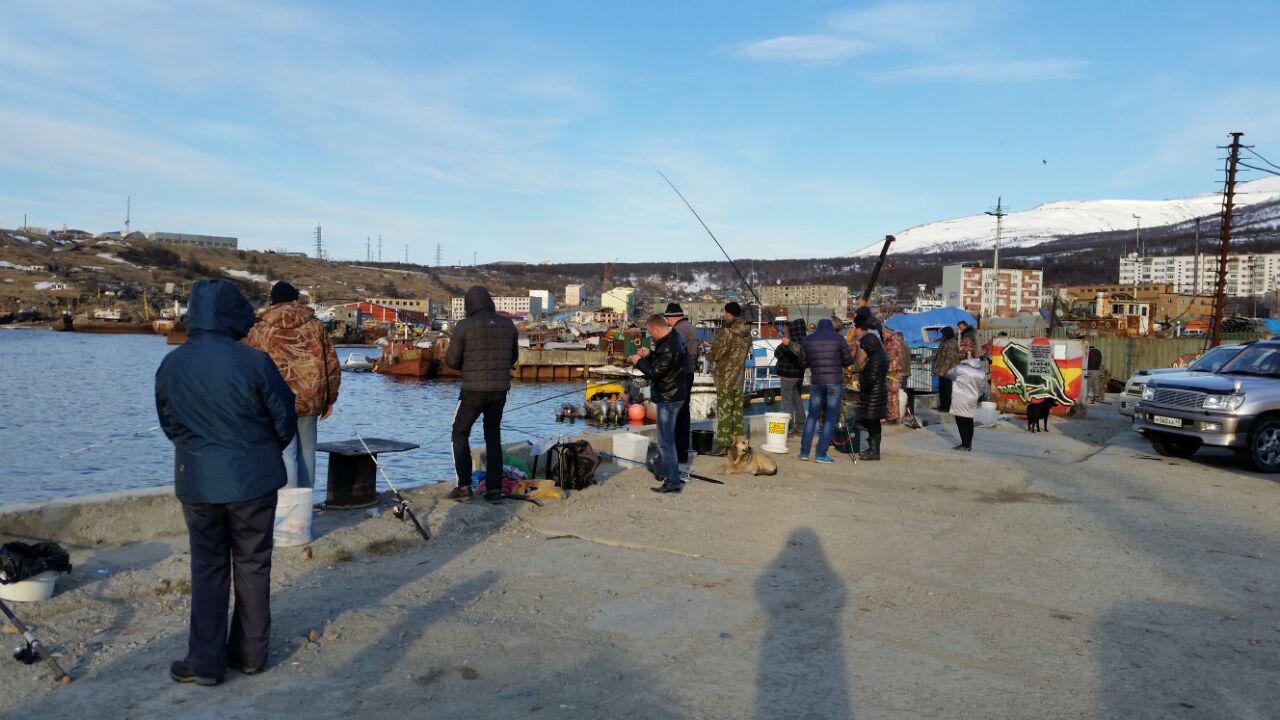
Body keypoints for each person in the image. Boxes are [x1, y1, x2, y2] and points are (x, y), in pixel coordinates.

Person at [155, 279, 298, 686]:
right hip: (253, 481)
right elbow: (285, 419)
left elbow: (169, 423)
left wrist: (199, 454)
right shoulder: (255, 362)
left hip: (199, 482)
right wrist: (260, 451)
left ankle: (205, 662)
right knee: (253, 564)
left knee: (208, 567)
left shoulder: (172, 365)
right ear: (234, 315)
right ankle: (250, 655)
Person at [244, 281, 340, 490]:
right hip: (310, 398)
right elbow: (331, 364)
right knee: (307, 453)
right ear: (295, 299)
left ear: (272, 301)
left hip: (274, 402)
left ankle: (289, 506)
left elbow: (247, 368)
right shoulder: (315, 326)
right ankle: (306, 505)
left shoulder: (260, 329)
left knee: (285, 454)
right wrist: (330, 398)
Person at [445, 286, 518, 502]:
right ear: (490, 302)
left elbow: (451, 361)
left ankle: (464, 486)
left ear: (469, 305)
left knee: (459, 433)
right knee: (493, 436)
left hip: (473, 391)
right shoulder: (508, 325)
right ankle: (494, 490)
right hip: (499, 391)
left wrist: (469, 365)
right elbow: (512, 358)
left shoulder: (464, 326)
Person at [630, 314, 689, 493]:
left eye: (650, 332)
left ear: (656, 329)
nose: (650, 335)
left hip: (669, 398)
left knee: (665, 441)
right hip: (675, 394)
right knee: (667, 438)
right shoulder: (673, 338)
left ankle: (673, 481)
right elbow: (664, 362)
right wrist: (650, 354)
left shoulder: (669, 346)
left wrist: (638, 361)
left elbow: (655, 373)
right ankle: (663, 469)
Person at [797, 318, 854, 463]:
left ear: (818, 327)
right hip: (834, 382)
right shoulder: (839, 339)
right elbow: (848, 360)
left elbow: (802, 362)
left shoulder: (808, 340)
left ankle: (804, 452)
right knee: (830, 418)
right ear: (832, 327)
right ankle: (821, 454)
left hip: (816, 382)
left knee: (812, 417)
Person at [707, 301, 752, 455]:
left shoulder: (727, 331)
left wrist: (710, 355)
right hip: (739, 378)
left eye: (726, 313)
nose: (724, 315)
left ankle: (723, 445)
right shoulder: (746, 332)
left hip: (725, 377)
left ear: (730, 314)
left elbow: (716, 352)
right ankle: (739, 445)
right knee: (737, 412)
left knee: (725, 412)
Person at [664, 303, 701, 462]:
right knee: (683, 414)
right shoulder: (689, 327)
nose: (666, 321)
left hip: (679, 376)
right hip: (688, 374)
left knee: (676, 415)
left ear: (673, 316)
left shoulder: (679, 330)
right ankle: (682, 454)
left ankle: (676, 454)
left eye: (667, 318)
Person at [858, 332, 889, 460]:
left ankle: (874, 451)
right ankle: (873, 448)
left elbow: (871, 378)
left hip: (874, 394)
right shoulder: (881, 354)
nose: (863, 349)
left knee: (872, 422)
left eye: (864, 346)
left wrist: (862, 383)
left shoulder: (876, 357)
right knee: (873, 422)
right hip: (877, 392)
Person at [774, 318, 808, 436]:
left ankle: (788, 428)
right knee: (798, 401)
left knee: (787, 403)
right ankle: (801, 427)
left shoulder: (789, 341)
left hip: (787, 377)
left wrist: (786, 339)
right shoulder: (806, 341)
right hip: (799, 376)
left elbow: (777, 353)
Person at [947, 359, 986, 451]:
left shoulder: (960, 368)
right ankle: (968, 444)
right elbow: (982, 387)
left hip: (961, 397)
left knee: (961, 420)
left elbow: (949, 374)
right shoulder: (981, 371)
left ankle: (965, 444)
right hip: (973, 398)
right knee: (969, 420)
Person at [932, 326, 960, 412]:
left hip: (948, 371)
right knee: (942, 389)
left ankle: (947, 407)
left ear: (947, 334)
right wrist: (927, 359)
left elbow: (949, 359)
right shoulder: (945, 342)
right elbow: (939, 356)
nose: (942, 336)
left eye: (943, 334)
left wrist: (943, 371)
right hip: (943, 370)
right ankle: (942, 405)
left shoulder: (952, 343)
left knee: (947, 390)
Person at [883, 328, 906, 423]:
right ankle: (891, 415)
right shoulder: (888, 342)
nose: (882, 335)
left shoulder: (893, 343)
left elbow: (889, 357)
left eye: (883, 333)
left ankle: (893, 417)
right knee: (890, 395)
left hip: (893, 372)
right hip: (891, 372)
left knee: (893, 396)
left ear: (888, 333)